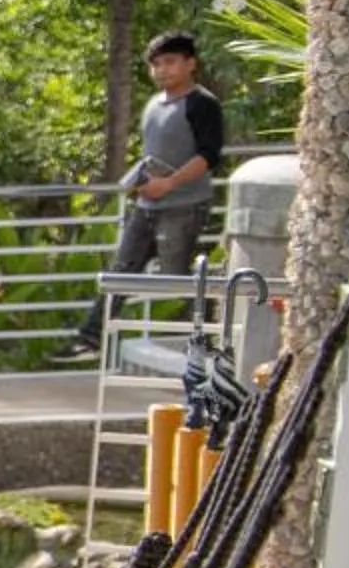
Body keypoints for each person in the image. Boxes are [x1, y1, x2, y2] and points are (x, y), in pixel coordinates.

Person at [58, 30, 227, 360]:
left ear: (190, 63)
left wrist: (171, 183)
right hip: (147, 203)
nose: (162, 70)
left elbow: (209, 155)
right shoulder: (153, 105)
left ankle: (202, 344)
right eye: (156, 64)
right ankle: (91, 339)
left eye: (170, 62)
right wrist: (139, 182)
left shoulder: (202, 104)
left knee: (176, 278)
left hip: (184, 206)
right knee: (122, 268)